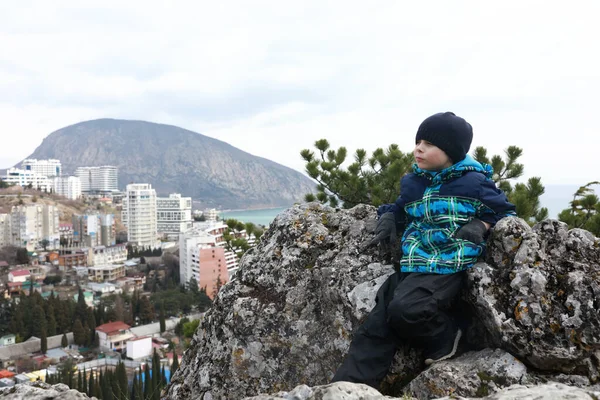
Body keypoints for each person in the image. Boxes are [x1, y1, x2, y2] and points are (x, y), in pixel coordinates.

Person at [332, 112, 516, 389]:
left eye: (429, 144)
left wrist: (481, 224)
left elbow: (505, 212)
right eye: (418, 141)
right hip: (413, 261)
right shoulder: (414, 182)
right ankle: (347, 388)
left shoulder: (474, 183)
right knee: (376, 326)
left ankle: (448, 336)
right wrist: (389, 217)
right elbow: (401, 207)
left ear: (451, 152)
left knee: (407, 309)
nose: (418, 148)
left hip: (448, 262)